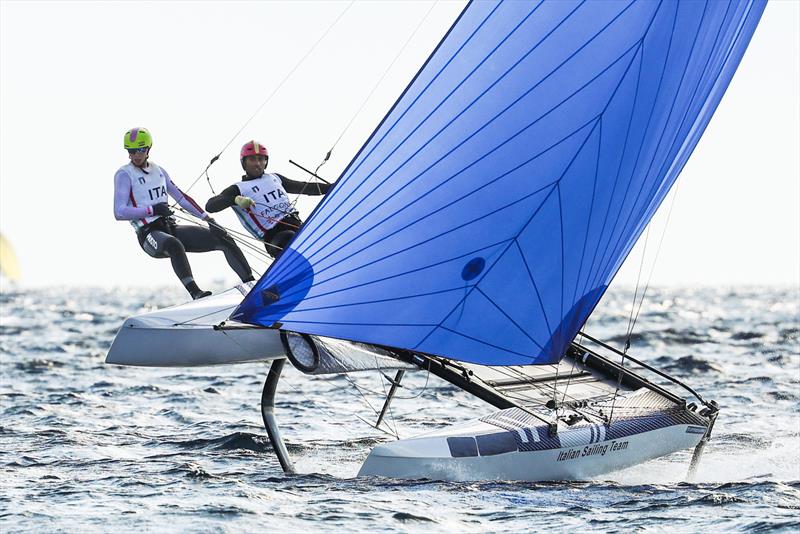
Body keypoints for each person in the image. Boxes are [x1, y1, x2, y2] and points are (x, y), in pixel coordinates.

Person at [113, 127, 255, 299]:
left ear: (148, 148)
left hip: (170, 227)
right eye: (131, 151)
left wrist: (208, 219)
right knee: (174, 245)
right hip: (148, 234)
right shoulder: (124, 174)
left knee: (223, 237)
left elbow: (181, 198)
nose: (136, 155)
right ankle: (196, 293)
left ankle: (252, 286)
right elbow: (119, 212)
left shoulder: (159, 171)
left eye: (140, 150)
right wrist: (152, 210)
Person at [205, 140, 330, 258]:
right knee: (289, 237)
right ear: (244, 163)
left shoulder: (274, 178)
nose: (257, 163)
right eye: (252, 159)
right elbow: (210, 205)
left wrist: (333, 187)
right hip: (275, 238)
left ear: (266, 162)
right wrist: (235, 199)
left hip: (298, 226)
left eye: (261, 159)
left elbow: (304, 187)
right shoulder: (238, 188)